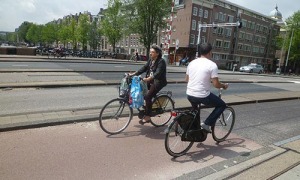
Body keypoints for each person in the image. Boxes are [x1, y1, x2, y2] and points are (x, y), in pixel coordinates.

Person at [185, 43, 228, 133]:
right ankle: (207, 124)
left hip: (189, 94)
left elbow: (187, 79)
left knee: (195, 112)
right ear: (209, 52)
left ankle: (195, 132)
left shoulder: (192, 63)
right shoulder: (212, 65)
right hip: (202, 95)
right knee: (221, 105)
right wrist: (223, 86)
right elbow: (216, 84)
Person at [129, 45, 167, 125]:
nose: (150, 54)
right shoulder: (151, 60)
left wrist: (149, 78)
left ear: (157, 53)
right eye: (150, 52)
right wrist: (133, 74)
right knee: (141, 92)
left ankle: (148, 116)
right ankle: (147, 106)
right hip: (150, 80)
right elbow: (144, 68)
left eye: (152, 52)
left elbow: (158, 73)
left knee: (148, 96)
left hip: (158, 82)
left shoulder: (161, 61)